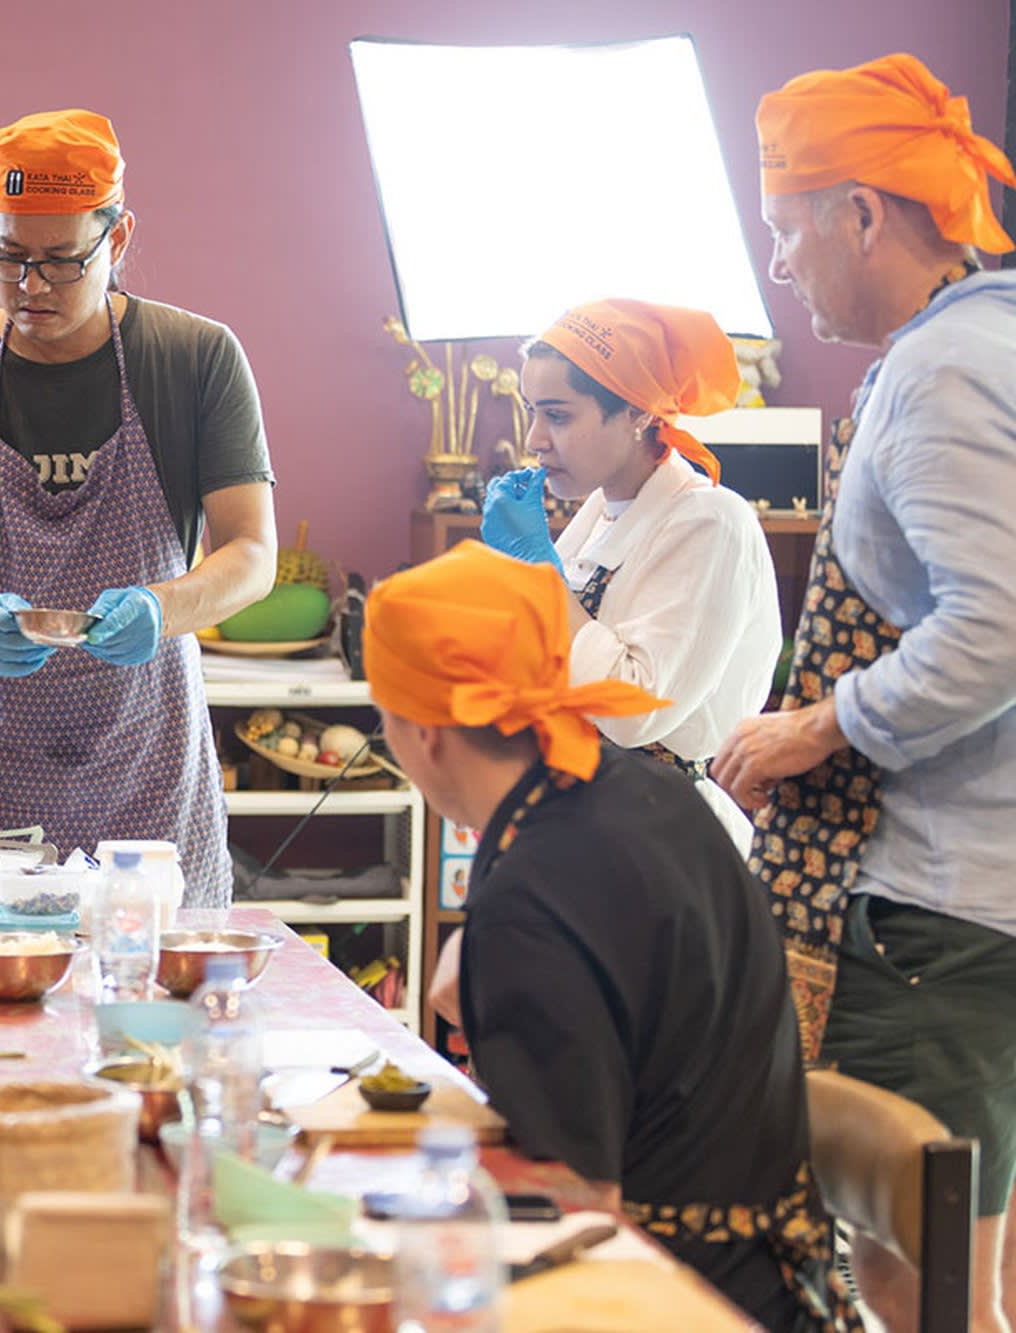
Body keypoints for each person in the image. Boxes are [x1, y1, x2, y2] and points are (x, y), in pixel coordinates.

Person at [365, 542, 857, 1331]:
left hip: (685, 1295)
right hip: (782, 1275)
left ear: (425, 732)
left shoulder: (530, 899)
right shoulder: (646, 787)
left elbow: (577, 1208)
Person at [713, 52, 1016, 1331]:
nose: (778, 265)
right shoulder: (986, 339)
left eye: (785, 229)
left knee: (915, 1285)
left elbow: (992, 627)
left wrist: (813, 727)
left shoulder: (943, 370)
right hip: (982, 896)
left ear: (860, 213)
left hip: (935, 910)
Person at [0, 109, 275, 905]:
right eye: (8, 256)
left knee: (145, 981)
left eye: (62, 260)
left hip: (145, 778)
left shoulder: (195, 361)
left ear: (118, 238)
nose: (31, 286)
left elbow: (252, 554)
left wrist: (162, 606)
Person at [479, 299, 778, 853]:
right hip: (581, 820)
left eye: (558, 416)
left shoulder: (710, 522)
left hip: (662, 838)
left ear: (637, 413)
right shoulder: (600, 509)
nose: (534, 439)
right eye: (531, 411)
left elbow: (635, 711)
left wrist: (540, 577)